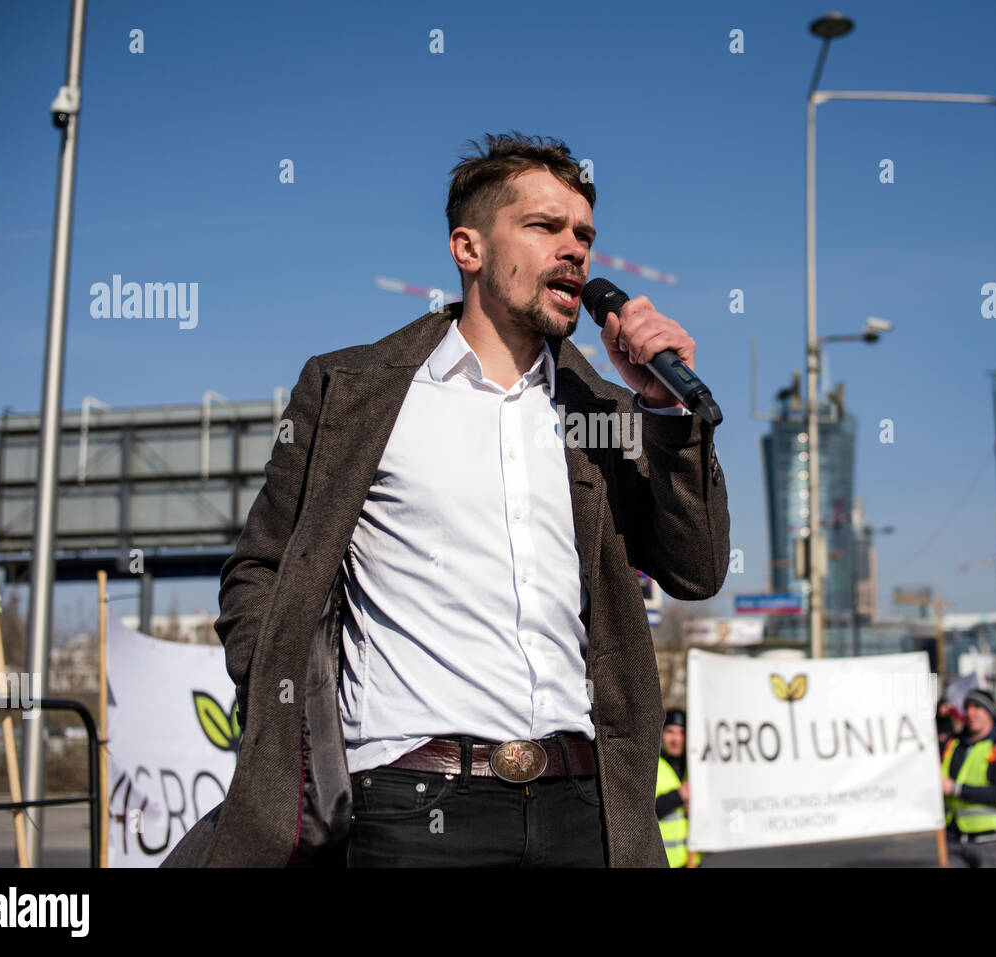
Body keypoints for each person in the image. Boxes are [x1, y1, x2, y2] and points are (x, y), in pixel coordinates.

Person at [162, 132, 730, 867]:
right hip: (412, 809)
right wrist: (296, 725)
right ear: (469, 248)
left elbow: (699, 570)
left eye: (584, 233)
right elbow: (258, 571)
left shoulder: (608, 415)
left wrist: (666, 416)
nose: (575, 249)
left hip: (583, 811)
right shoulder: (353, 393)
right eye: (543, 226)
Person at [941, 689, 996, 867]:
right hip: (953, 839)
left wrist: (956, 789)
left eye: (977, 708)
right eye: (967, 707)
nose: (970, 713)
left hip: (991, 840)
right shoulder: (954, 744)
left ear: (990, 713)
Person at [655, 709, 701, 868]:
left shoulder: (696, 767)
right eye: (670, 732)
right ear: (661, 734)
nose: (676, 739)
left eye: (682, 732)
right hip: (664, 861)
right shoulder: (652, 767)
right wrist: (678, 796)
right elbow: (640, 811)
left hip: (693, 861)